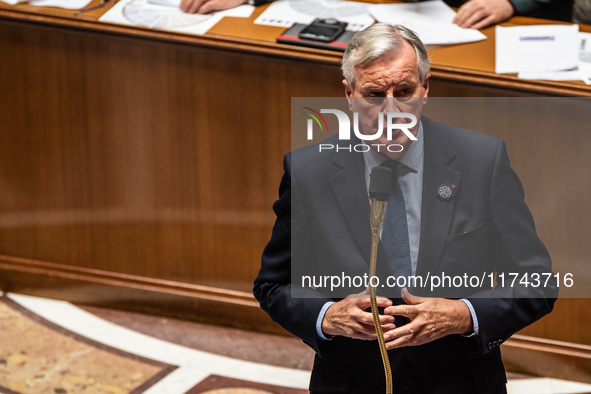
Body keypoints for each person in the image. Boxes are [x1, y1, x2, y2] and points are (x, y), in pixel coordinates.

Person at [254, 23, 557, 393]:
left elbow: (538, 282)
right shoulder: (309, 171)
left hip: (458, 379)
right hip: (352, 380)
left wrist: (464, 315)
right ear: (349, 96)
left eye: (405, 91)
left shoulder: (481, 161)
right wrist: (326, 316)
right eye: (374, 94)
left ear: (426, 88)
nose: (391, 110)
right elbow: (273, 284)